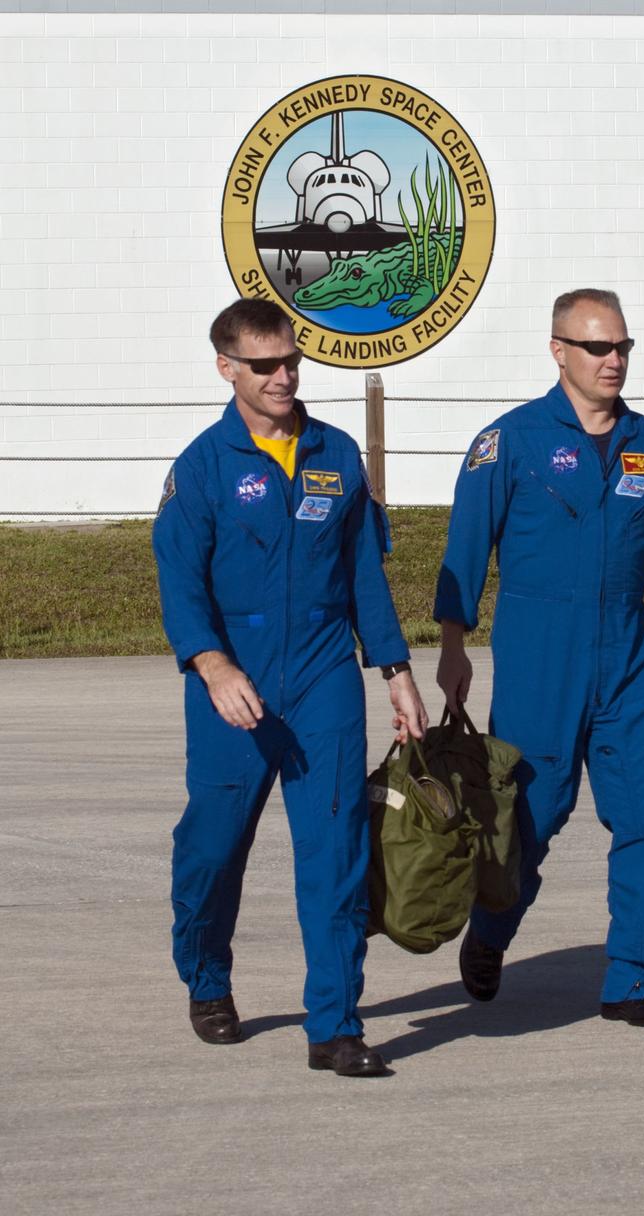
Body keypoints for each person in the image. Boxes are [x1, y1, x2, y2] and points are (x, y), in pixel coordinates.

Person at [153, 297, 427, 1077]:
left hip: (321, 679)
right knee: (211, 848)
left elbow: (363, 577)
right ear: (227, 368)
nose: (283, 377)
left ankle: (336, 1026)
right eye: (265, 365)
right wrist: (212, 665)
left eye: (291, 361)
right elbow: (180, 584)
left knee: (336, 851)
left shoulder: (337, 455)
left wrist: (396, 672)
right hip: (233, 690)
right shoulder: (203, 466)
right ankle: (207, 978)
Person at [434, 289, 644, 1027]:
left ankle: (635, 980)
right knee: (531, 815)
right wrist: (453, 647)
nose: (614, 361)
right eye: (598, 347)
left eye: (623, 347)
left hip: (627, 655)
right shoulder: (511, 440)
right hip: (539, 656)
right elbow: (465, 548)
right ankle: (490, 931)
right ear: (559, 349)